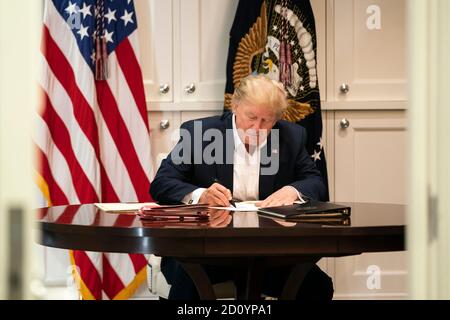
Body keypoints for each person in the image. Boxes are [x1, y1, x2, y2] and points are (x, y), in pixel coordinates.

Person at [150, 75, 333, 300]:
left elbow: (315, 183)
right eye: (251, 117)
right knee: (188, 281)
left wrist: (293, 190)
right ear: (235, 106)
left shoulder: (291, 137)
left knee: (317, 286)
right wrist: (200, 195)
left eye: (266, 120)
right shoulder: (199, 134)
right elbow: (162, 184)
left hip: (268, 252)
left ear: (277, 119)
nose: (257, 128)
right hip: (204, 250)